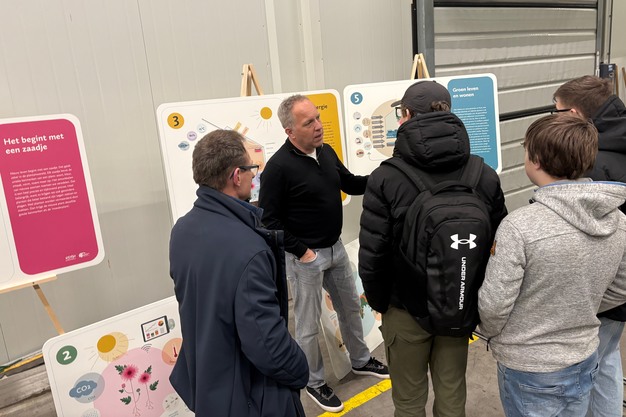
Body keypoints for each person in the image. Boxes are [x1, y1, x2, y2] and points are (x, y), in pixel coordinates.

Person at [358, 80, 507, 417]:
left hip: (404, 307)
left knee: (409, 401)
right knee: (452, 393)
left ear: (407, 116)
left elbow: (373, 254)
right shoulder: (482, 174)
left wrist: (382, 303)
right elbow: (499, 245)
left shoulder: (386, 178)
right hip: (458, 302)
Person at [478, 113, 626, 417]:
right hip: (584, 356)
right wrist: (579, 307)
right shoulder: (618, 220)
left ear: (535, 159)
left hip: (528, 367)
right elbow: (622, 287)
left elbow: (494, 306)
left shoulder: (519, 227)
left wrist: (492, 332)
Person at [258, 94, 389, 413]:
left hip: (335, 248)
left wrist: (385, 176)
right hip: (305, 258)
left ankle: (360, 360)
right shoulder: (278, 168)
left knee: (351, 308)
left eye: (317, 118)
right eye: (309, 122)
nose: (319, 126)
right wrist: (302, 252)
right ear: (290, 131)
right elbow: (268, 221)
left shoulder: (326, 151)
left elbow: (351, 184)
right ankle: (314, 381)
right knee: (307, 325)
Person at [169, 130, 309, 416]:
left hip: (208, 385)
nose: (253, 176)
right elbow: (267, 345)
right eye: (250, 168)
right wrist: (300, 369)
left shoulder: (181, 230)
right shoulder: (249, 248)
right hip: (250, 397)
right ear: (236, 176)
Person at [554, 75, 626, 417]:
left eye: (556, 111)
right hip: (621, 281)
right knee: (607, 357)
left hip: (603, 284)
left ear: (573, 113)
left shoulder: (593, 163)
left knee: (588, 364)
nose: (553, 117)